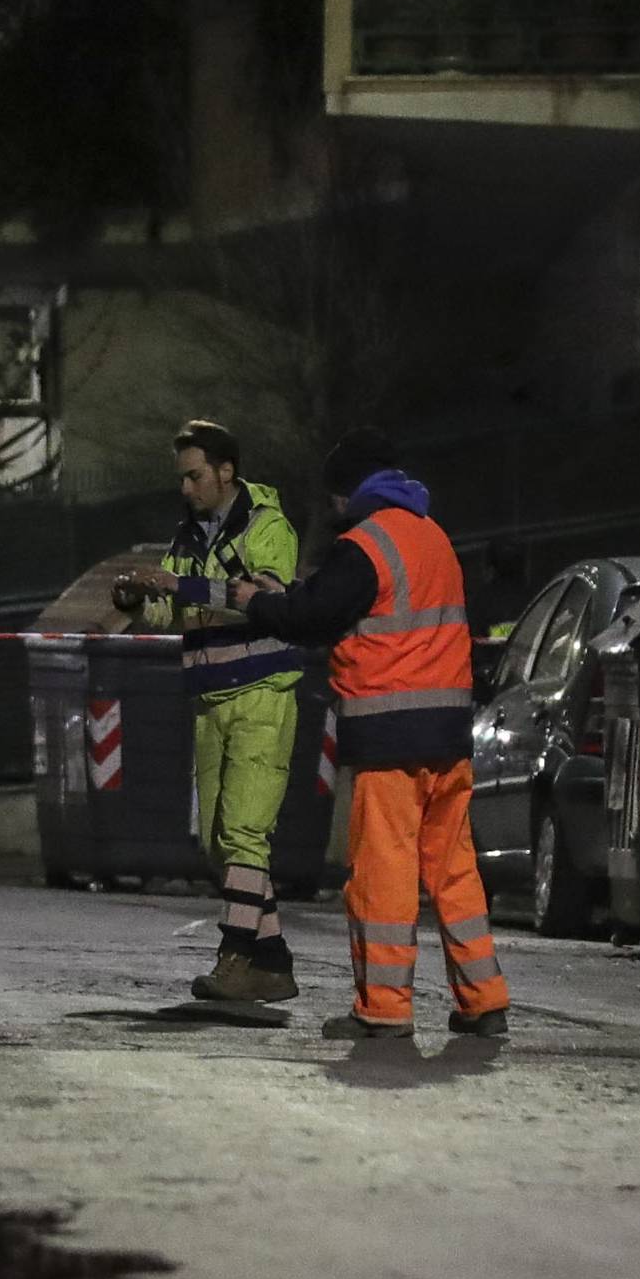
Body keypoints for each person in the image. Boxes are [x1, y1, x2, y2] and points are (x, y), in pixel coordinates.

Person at [231, 428, 511, 1042]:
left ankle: (383, 1008)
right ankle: (484, 999)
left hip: (389, 735)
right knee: (454, 870)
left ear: (345, 493)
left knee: (384, 872)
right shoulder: (432, 537)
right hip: (446, 732)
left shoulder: (365, 543)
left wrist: (255, 600)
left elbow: (312, 619)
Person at [113, 420, 303, 1005]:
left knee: (245, 835)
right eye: (183, 478)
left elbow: (260, 601)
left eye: (195, 476)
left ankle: (237, 959)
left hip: (261, 696)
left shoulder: (270, 529)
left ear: (226, 472)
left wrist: (180, 585)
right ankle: (273, 965)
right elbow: (172, 618)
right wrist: (139, 601)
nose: (186, 488)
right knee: (220, 845)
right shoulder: (189, 536)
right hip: (210, 700)